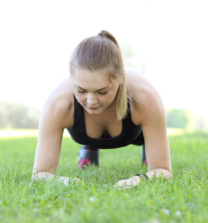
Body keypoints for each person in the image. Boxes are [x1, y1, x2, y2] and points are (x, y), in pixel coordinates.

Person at [32, 30, 171, 188]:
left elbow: (163, 171)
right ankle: (89, 149)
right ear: (71, 80)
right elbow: (39, 174)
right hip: (85, 134)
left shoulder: (144, 98)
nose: (91, 101)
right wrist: (68, 182)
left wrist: (137, 180)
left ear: (120, 78)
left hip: (135, 134)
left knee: (148, 146)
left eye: (102, 91)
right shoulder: (58, 104)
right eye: (81, 91)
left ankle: (148, 147)